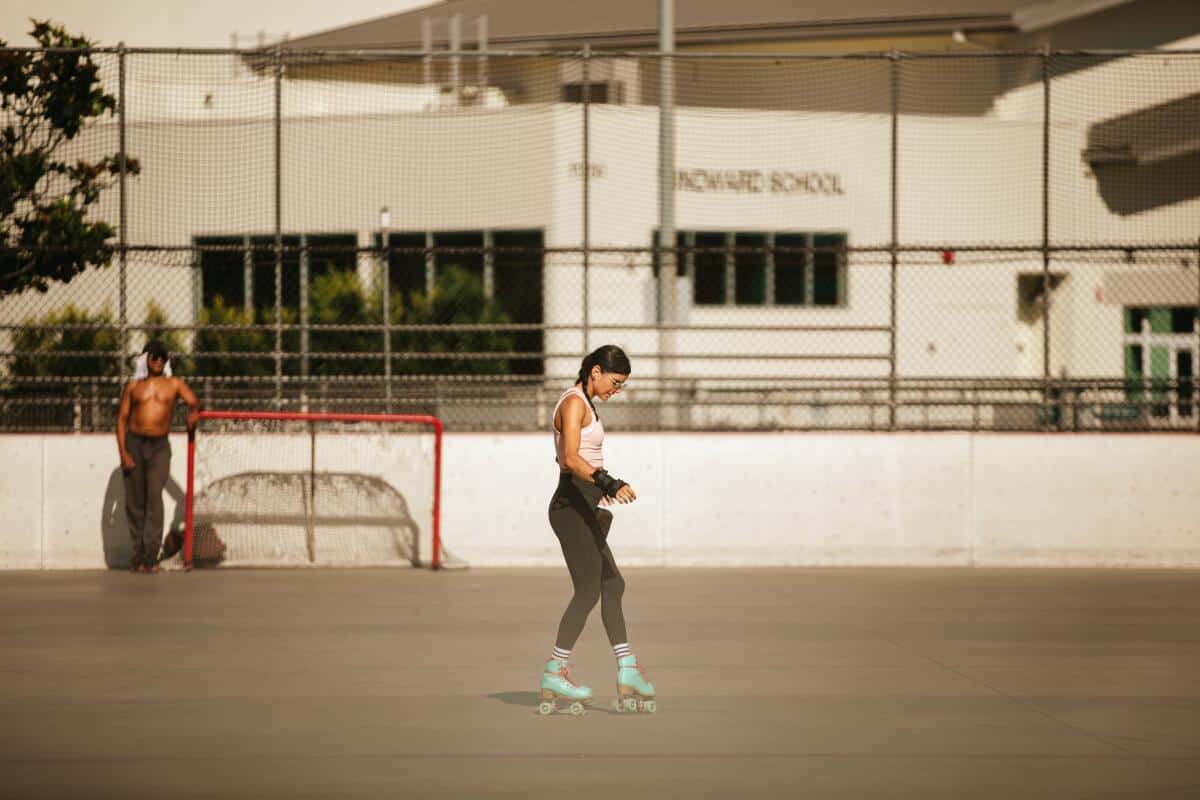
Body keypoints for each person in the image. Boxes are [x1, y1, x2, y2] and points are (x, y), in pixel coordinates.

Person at [538, 345, 657, 715]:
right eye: (615, 382)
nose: (616, 390)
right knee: (589, 590)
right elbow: (570, 458)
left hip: (586, 507)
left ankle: (627, 669)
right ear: (595, 371)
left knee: (612, 585)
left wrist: (601, 491)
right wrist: (607, 482)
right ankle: (555, 671)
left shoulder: (587, 404)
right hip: (570, 508)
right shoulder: (573, 403)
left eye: (621, 385)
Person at [115, 339, 200, 573]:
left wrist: (193, 414)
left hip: (159, 446)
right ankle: (138, 554)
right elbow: (121, 420)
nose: (158, 360)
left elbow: (193, 401)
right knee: (135, 502)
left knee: (154, 496)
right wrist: (123, 452)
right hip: (134, 443)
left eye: (162, 357)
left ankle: (151, 556)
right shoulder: (133, 387)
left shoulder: (173, 384)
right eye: (154, 356)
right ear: (145, 359)